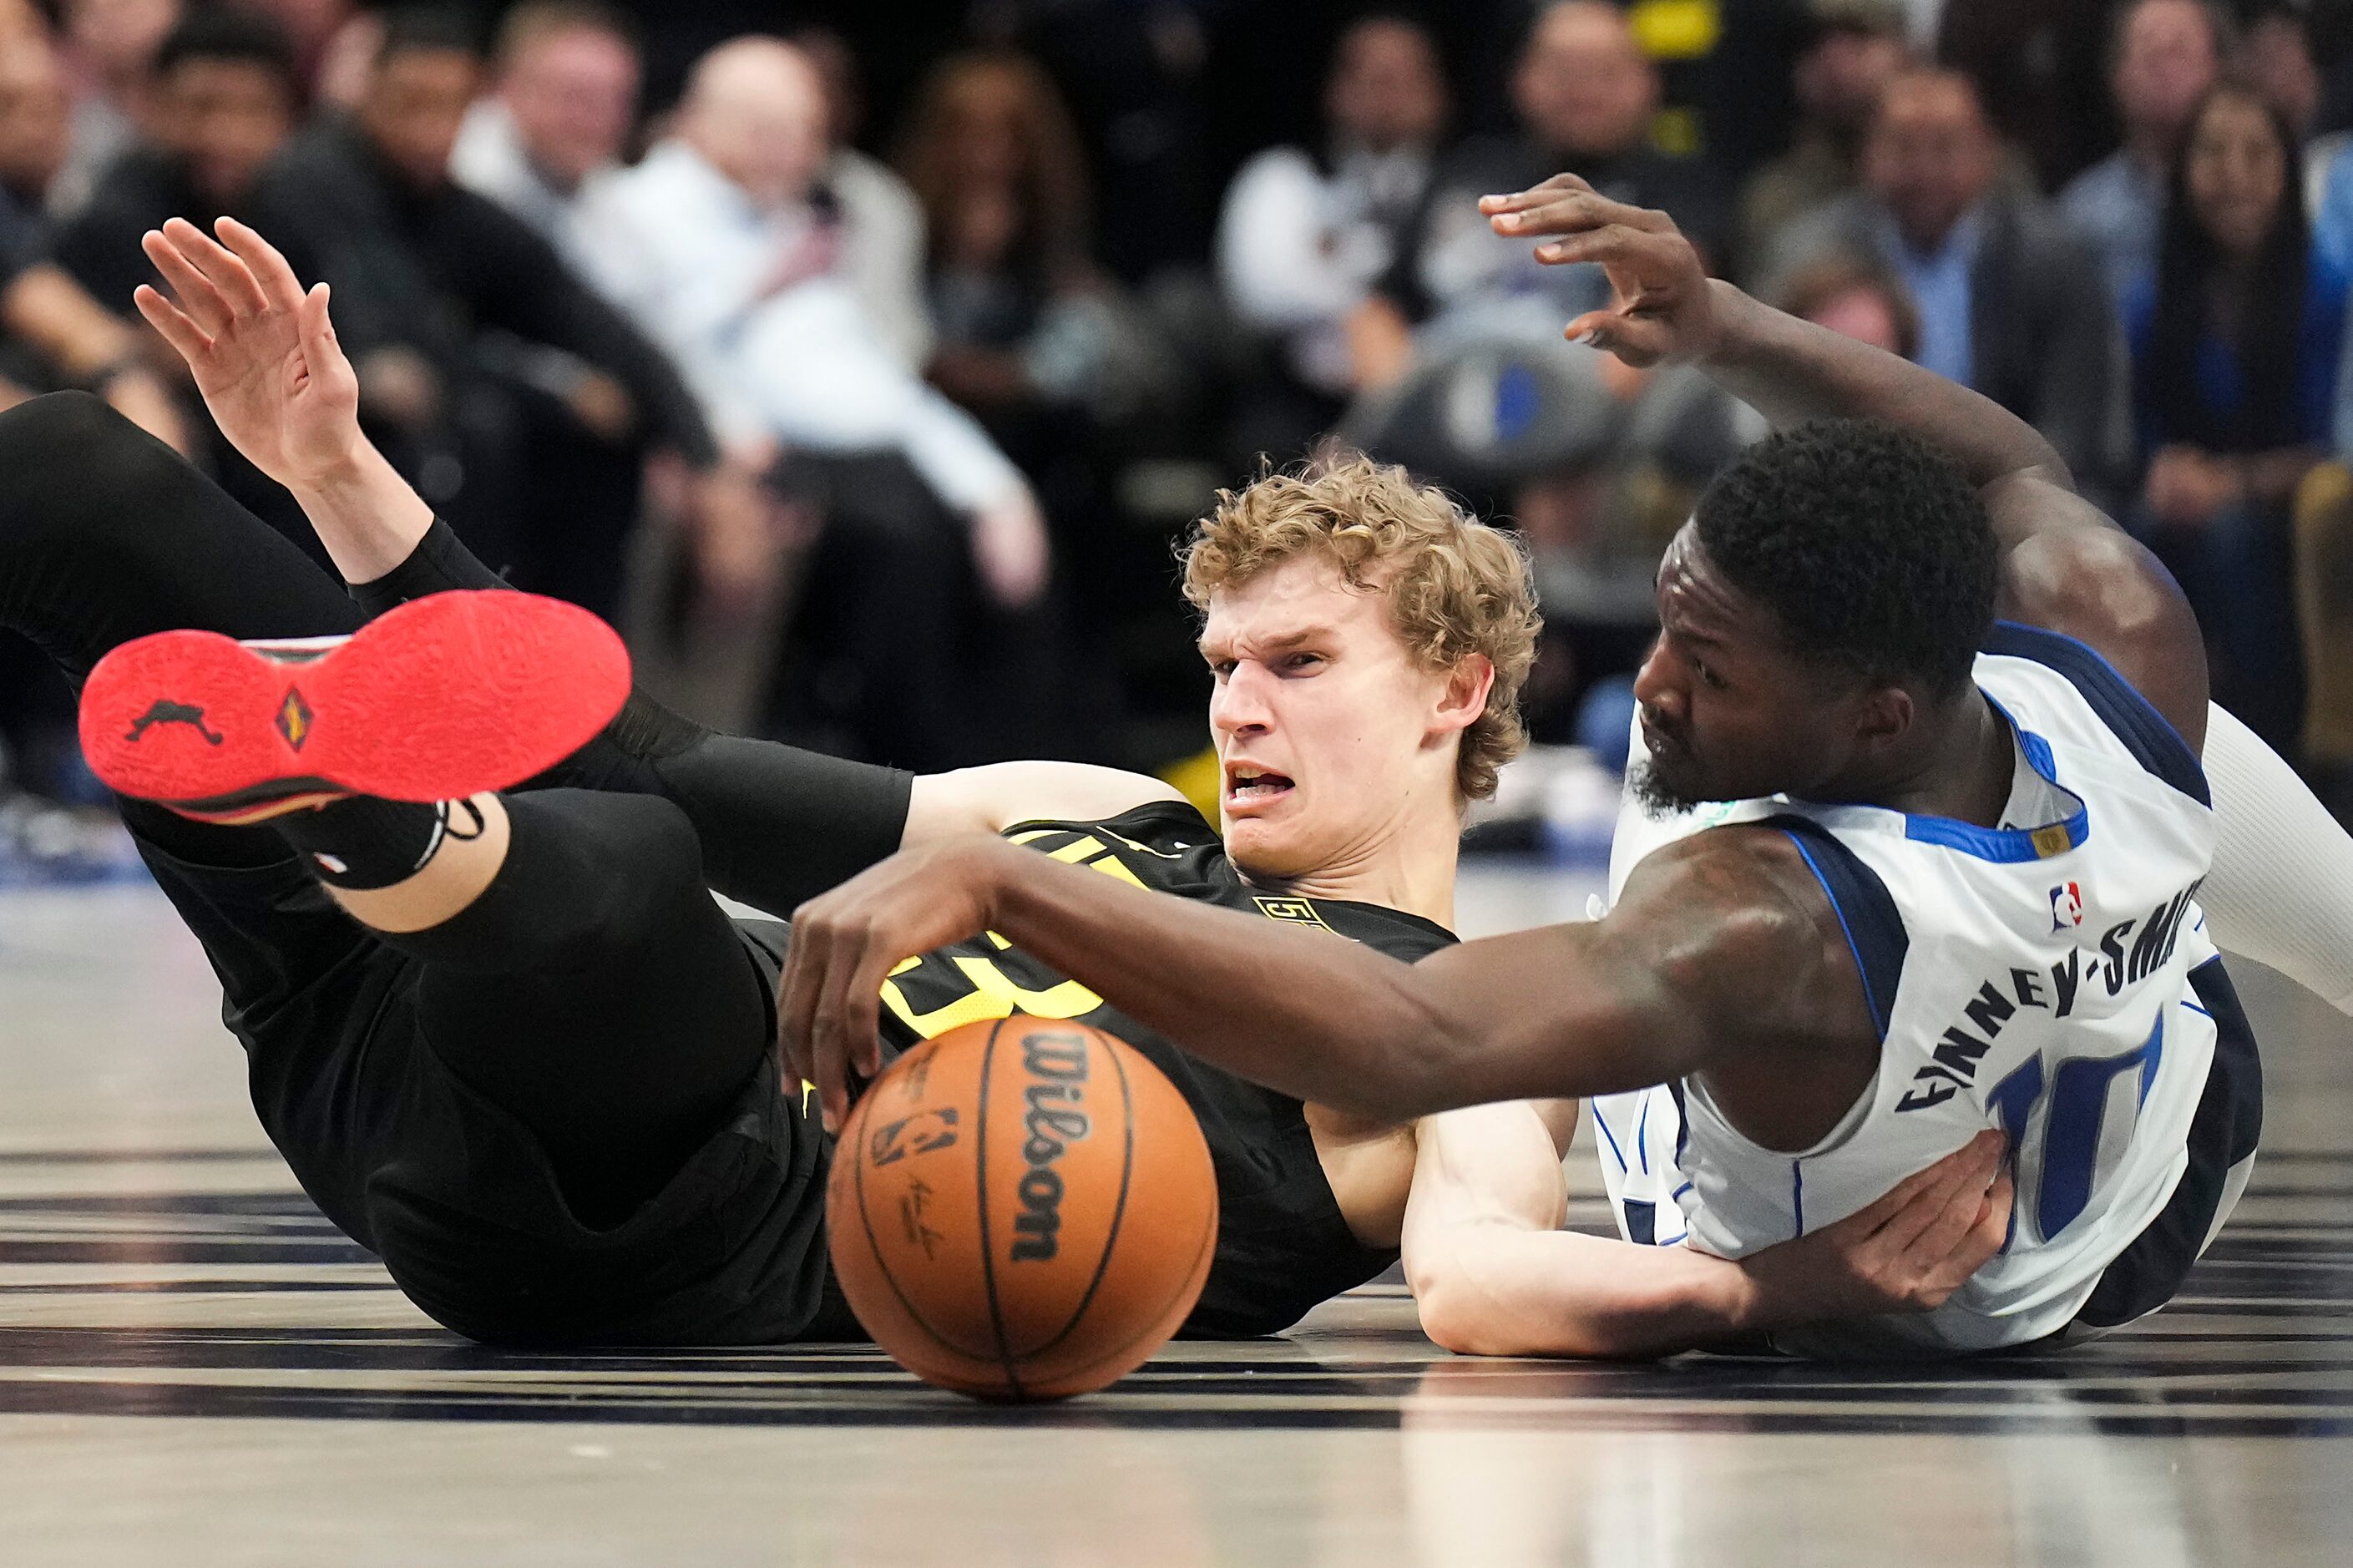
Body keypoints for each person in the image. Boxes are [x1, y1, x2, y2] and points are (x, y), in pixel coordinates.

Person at [0, 214, 1998, 1354]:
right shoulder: (1077, 807)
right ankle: (363, 795)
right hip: (386, 1037)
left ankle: (370, 800)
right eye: (1219, 666)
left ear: (1458, 689)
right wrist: (334, 464)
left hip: (666, 1206)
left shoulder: (1448, 1024)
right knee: (80, 480)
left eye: (1297, 667)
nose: (1237, 708)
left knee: (608, 868)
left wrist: (1778, 1285)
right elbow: (661, 744)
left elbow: (1479, 1279)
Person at [779, 173, 2310, 1358]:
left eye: (1707, 671)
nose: (1644, 686)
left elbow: (1403, 1035)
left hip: (1991, 1267)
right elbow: (2004, 469)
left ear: (1873, 719)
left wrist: (1004, 885)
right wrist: (1715, 327)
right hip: (2171, 1077)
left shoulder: (1756, 919)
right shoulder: (2113, 623)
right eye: (1665, 625)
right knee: (2153, 759)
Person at [243, 4, 739, 621]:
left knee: (607, 435)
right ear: (367, 91)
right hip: (291, 452)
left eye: (449, 108)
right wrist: (557, 395)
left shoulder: (457, 210)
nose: (429, 130)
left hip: (438, 421)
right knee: (478, 423)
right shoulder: (310, 181)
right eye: (411, 102)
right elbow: (394, 347)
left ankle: (580, 678)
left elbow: (586, 318)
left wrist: (706, 460)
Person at [1757, 68, 2128, 501]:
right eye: (1904, 148)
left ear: (1988, 152)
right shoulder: (1808, 254)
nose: (1925, 169)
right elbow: (1769, 403)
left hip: (2013, 499)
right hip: (1844, 493)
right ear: (1867, 153)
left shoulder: (2053, 260)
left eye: (1946, 148)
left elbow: (2073, 425)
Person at [2124, 79, 2343, 751]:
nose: (2235, 177)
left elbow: (2332, 443)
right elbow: (2138, 433)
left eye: (2258, 154)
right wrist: (2162, 472)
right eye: (2213, 154)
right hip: (2188, 506)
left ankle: (2261, 746)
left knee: (2232, 538)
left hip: (2296, 514)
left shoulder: (2330, 289)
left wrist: (2233, 483)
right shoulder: (2152, 297)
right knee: (2129, 532)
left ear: (2288, 168)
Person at [1360, 1, 1732, 388]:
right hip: (1441, 399)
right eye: (1564, 71)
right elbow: (1378, 309)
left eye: (1606, 73)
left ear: (1648, 82)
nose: (1584, 90)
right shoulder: (1465, 172)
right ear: (1521, 78)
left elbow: (1665, 309)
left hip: (1591, 419)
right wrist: (1398, 409)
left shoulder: (1682, 189)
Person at [1215, 13, 1449, 447]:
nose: (1387, 94)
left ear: (1438, 90)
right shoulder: (1286, 176)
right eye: (1371, 76)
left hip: (1438, 404)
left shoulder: (1467, 185)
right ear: (1336, 88)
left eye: (1403, 77)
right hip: (1305, 404)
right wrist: (1356, 310)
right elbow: (1262, 286)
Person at [447, 0, 639, 279]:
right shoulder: (461, 175)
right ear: (508, 87)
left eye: (617, 100)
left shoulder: (610, 190)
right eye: (578, 98)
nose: (599, 121)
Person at [2057, 0, 2229, 308]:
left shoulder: (2251, 196)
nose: (2164, 67)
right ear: (2116, 77)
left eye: (2180, 50)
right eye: (2148, 52)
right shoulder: (2080, 216)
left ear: (2216, 68)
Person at [1738, 0, 1911, 271]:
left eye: (1858, 38)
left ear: (1905, 50)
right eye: (1814, 45)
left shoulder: (1958, 175)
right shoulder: (1775, 200)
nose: (1835, 62)